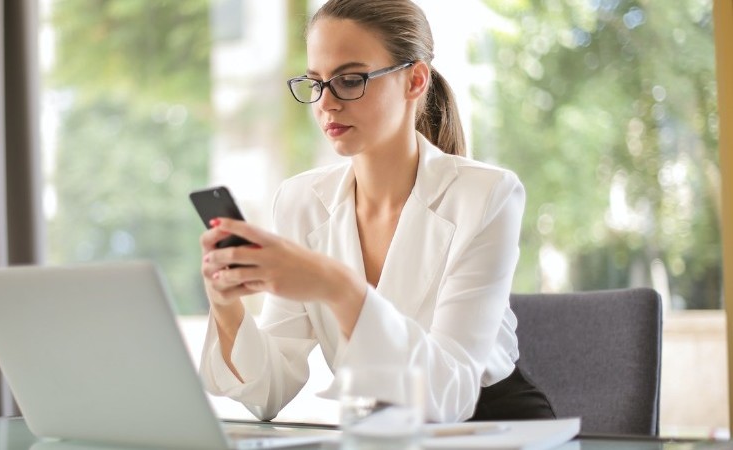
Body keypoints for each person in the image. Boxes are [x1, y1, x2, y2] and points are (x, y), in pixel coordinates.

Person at [197, 0, 555, 423]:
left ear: (414, 80)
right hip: (381, 431)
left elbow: (450, 394)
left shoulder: (487, 195)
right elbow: (268, 392)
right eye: (316, 82)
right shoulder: (301, 202)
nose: (326, 104)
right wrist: (225, 303)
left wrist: (337, 286)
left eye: (350, 80)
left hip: (494, 426)